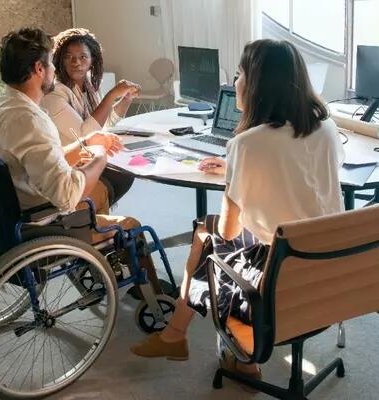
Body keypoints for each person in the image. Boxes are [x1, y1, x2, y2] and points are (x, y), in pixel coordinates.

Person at [130, 39, 345, 381]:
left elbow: (229, 231)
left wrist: (238, 170)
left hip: (280, 269)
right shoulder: (327, 128)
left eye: (240, 74)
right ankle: (196, 343)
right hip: (330, 260)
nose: (234, 84)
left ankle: (212, 348)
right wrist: (238, 168)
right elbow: (302, 175)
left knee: (206, 234)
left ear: (258, 84)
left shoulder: (247, 144)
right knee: (219, 233)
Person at [0, 27, 162, 293]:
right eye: (52, 62)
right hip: (40, 223)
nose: (55, 69)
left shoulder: (1, 105)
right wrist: (97, 157)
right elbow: (66, 195)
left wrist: (86, 143)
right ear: (40, 69)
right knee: (131, 225)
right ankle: (155, 300)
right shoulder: (30, 120)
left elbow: (40, 159)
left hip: (6, 213)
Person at [41, 28, 140, 213]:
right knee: (119, 175)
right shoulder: (55, 94)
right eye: (68, 56)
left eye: (83, 57)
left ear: (92, 60)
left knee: (125, 173)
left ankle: (96, 215)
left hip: (85, 158)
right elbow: (86, 135)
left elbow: (104, 123)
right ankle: (91, 217)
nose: (76, 62)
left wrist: (125, 99)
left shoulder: (88, 87)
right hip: (69, 166)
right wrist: (111, 95)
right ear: (59, 59)